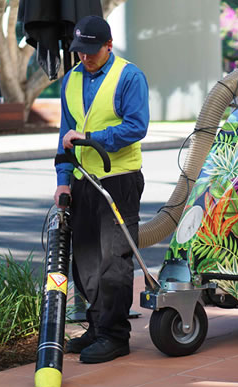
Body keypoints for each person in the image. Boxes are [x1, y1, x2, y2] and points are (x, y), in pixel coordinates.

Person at [54, 15, 149, 364]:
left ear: (109, 45)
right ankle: (97, 327)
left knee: (114, 262)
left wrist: (93, 140)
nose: (86, 57)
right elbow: (65, 134)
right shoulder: (72, 80)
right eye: (81, 51)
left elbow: (136, 128)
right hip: (82, 181)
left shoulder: (129, 76)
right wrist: (63, 181)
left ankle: (115, 336)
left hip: (118, 181)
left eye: (93, 50)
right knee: (87, 262)